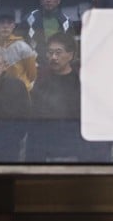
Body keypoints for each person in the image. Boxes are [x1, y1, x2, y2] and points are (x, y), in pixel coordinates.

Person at [27, 32, 108, 162]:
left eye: (58, 52)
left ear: (70, 55)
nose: (53, 57)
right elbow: (35, 121)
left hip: (77, 151)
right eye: (50, 52)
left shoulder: (81, 83)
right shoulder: (41, 81)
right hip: (46, 150)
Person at [0, 8, 37, 91]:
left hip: (18, 92)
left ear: (13, 25)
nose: (5, 26)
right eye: (2, 22)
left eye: (9, 23)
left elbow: (32, 75)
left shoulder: (23, 48)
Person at [25, 0, 73, 68]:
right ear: (41, 0)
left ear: (58, 0)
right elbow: (20, 43)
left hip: (58, 65)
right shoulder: (29, 18)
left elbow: (70, 47)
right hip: (34, 65)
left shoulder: (66, 22)